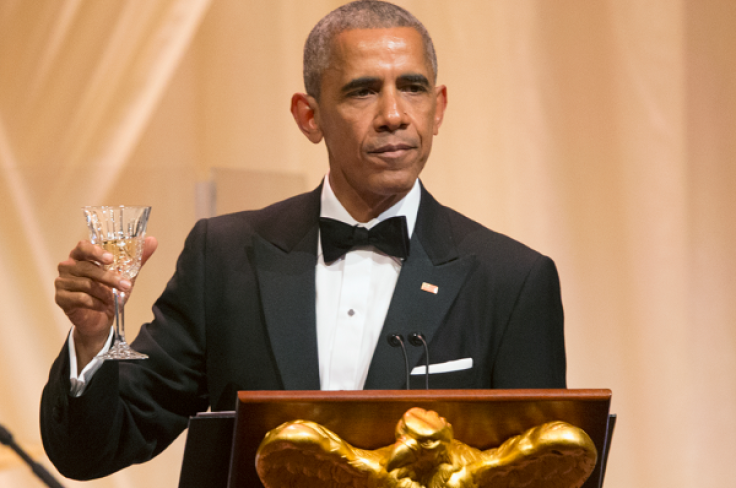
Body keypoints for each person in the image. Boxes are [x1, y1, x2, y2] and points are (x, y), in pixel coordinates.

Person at [41, 0, 566, 480]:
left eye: (413, 87)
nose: (393, 115)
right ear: (308, 116)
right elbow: (93, 451)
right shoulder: (225, 257)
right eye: (363, 91)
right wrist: (94, 341)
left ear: (439, 107)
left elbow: (543, 469)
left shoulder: (512, 280)